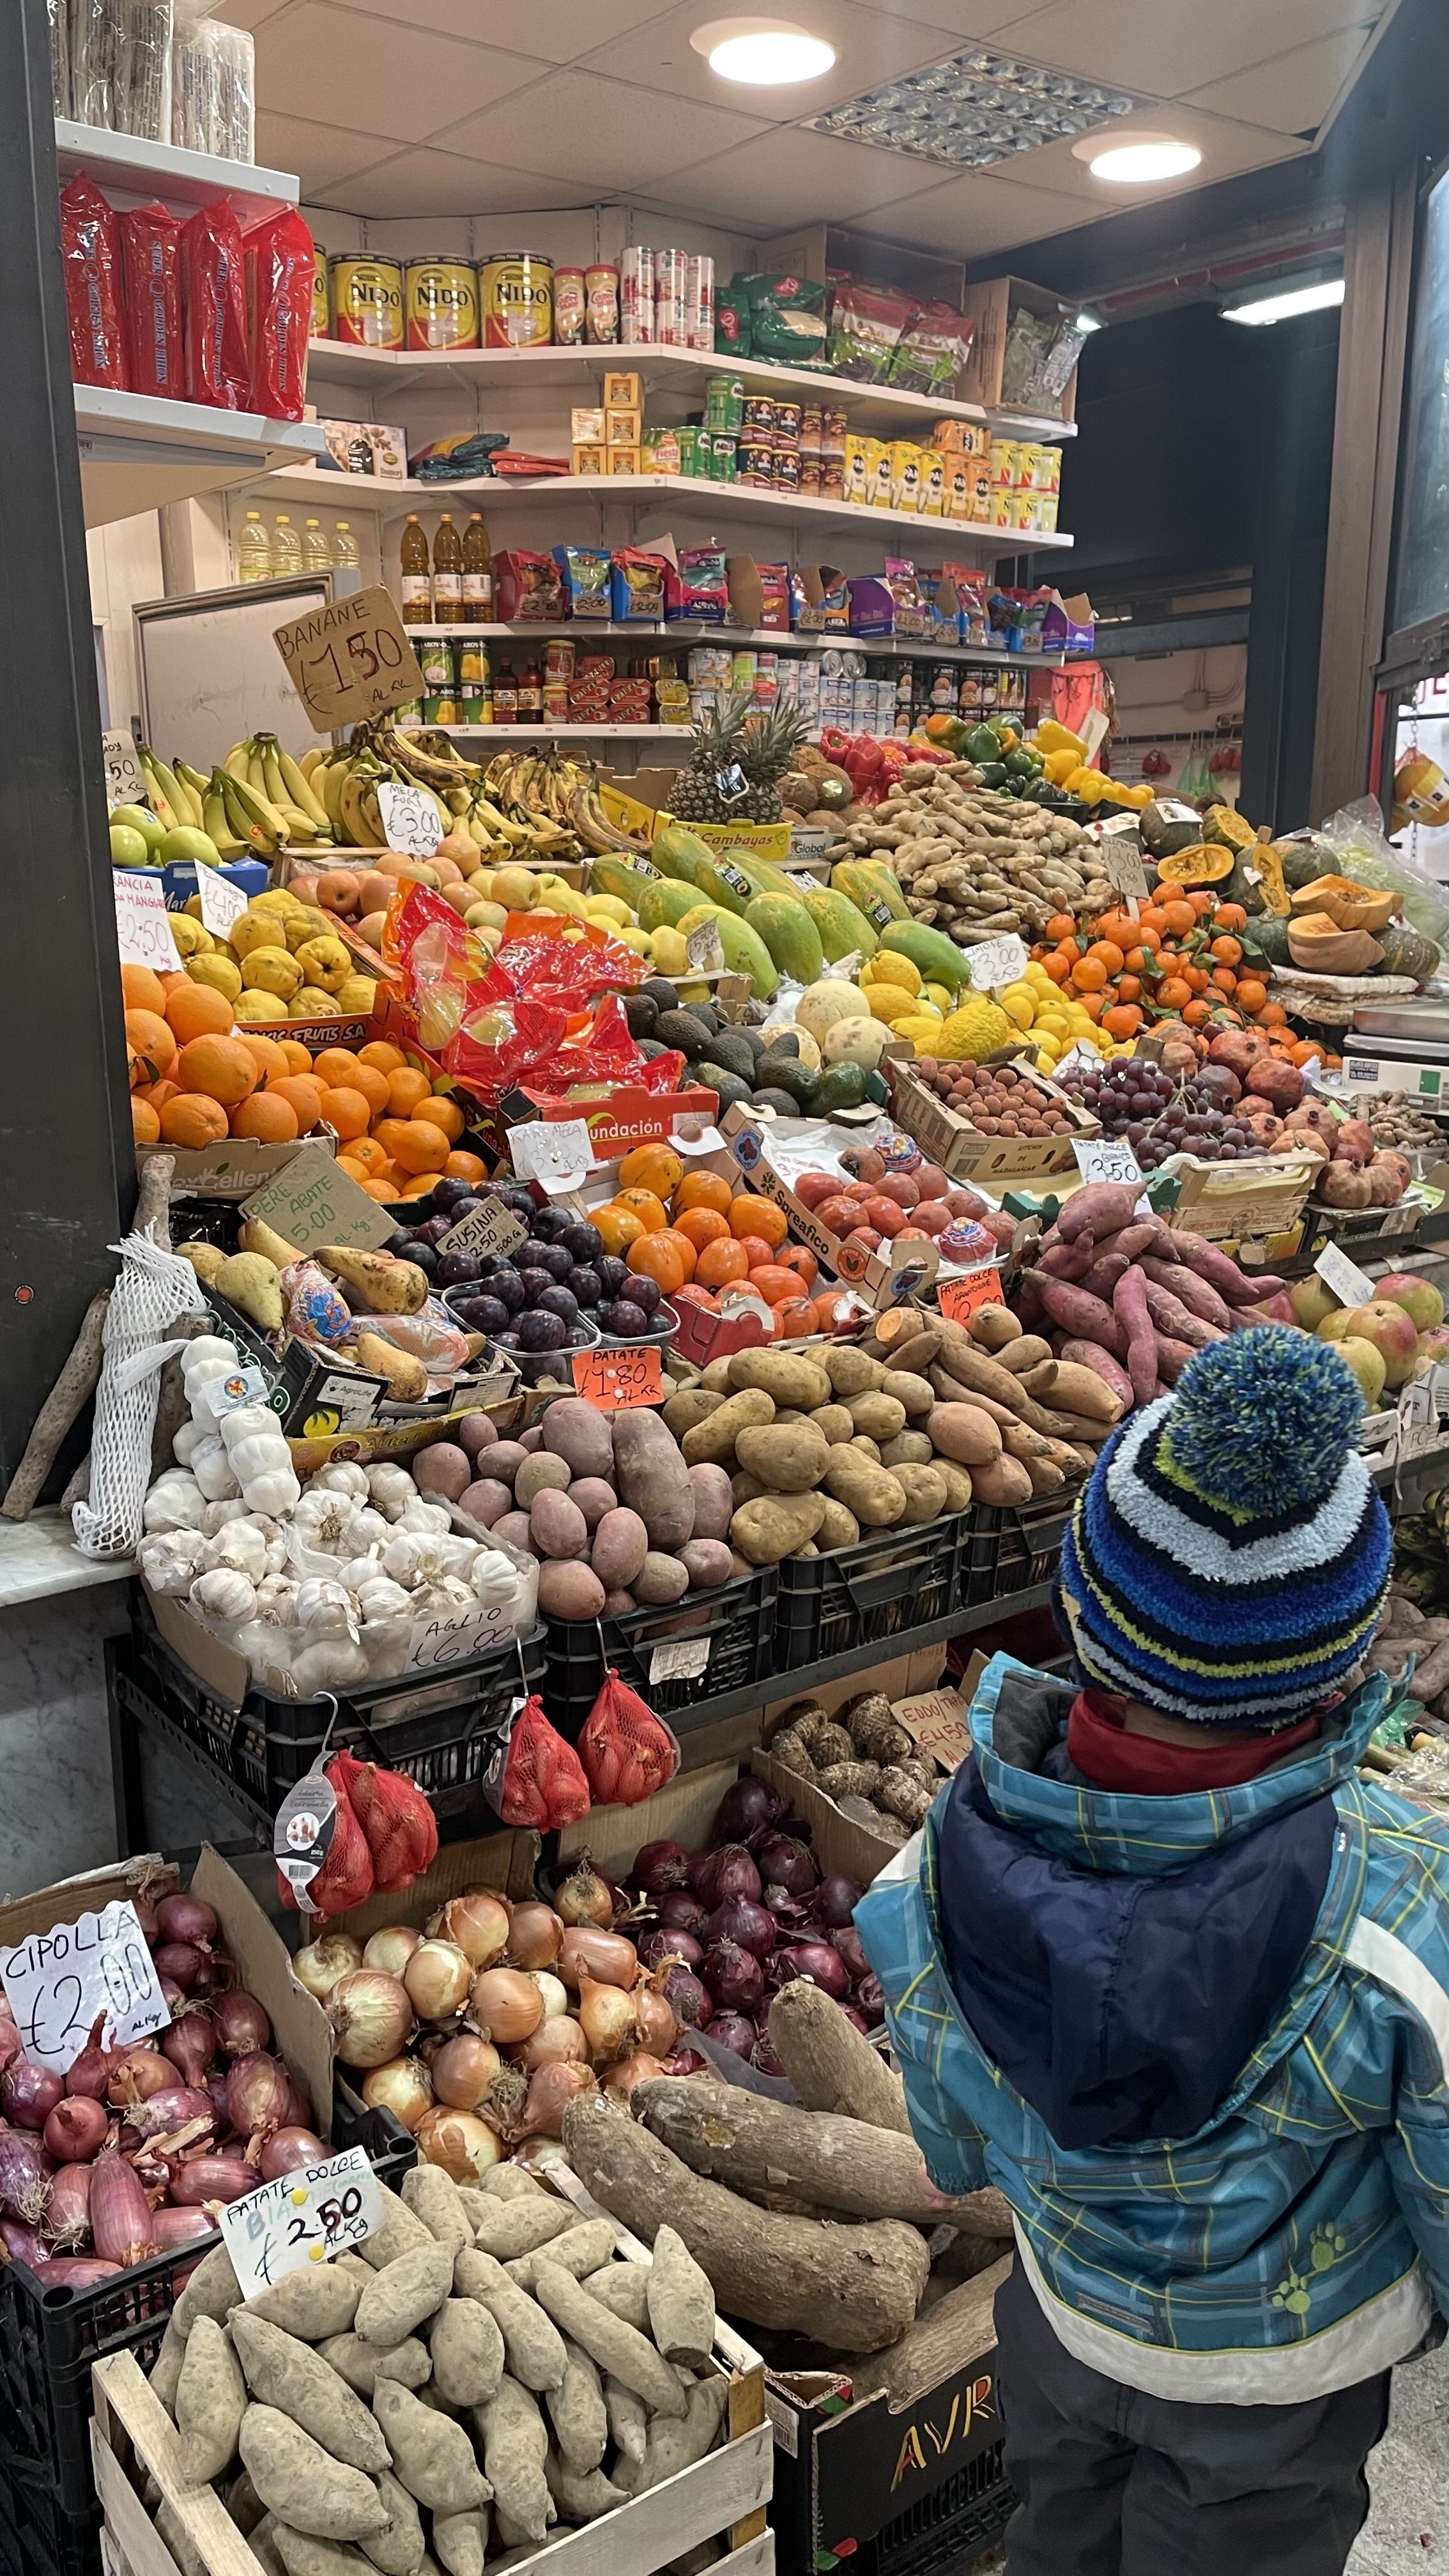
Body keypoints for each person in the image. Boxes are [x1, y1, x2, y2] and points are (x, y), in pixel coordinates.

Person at [856, 1326, 1449, 2576]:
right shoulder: (1399, 1904)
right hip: (1280, 2375)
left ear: (1081, 1607)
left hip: (1063, 2312)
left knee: (1056, 2530)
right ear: (1338, 1676)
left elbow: (951, 2131)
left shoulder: (942, 1854)